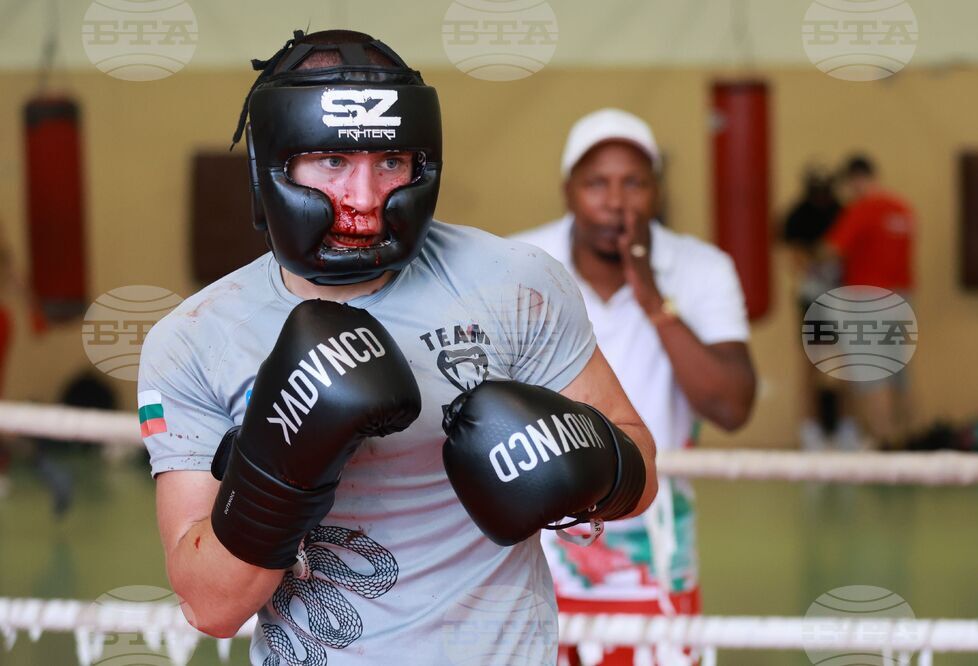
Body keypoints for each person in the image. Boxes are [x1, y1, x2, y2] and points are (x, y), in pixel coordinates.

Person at [137, 30, 658, 665]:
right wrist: (278, 471)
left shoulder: (517, 283)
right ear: (274, 166)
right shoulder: (194, 337)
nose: (364, 199)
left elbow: (642, 470)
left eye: (390, 164)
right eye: (332, 162)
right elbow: (210, 607)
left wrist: (593, 463)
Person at [512, 109, 756, 665]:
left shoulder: (699, 267)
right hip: (532, 539)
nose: (616, 202)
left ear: (657, 191)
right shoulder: (519, 263)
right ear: (568, 190)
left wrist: (650, 294)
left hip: (654, 544)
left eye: (634, 183)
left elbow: (731, 405)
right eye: (597, 182)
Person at [823, 154, 916, 449]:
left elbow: (831, 250)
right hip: (901, 298)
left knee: (872, 374)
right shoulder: (903, 209)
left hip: (867, 298)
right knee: (899, 374)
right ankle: (908, 440)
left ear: (856, 179)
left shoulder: (862, 210)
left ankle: (884, 442)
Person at [779, 167, 855, 450]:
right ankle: (811, 432)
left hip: (843, 300)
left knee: (846, 364)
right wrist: (817, 258)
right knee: (812, 365)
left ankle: (847, 429)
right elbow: (795, 258)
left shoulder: (843, 212)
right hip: (812, 300)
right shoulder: (798, 215)